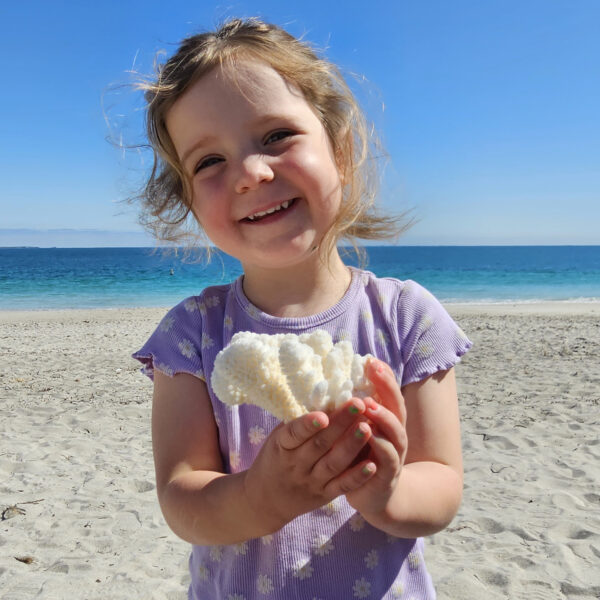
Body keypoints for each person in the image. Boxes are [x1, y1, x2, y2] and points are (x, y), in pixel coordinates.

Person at [132, 18, 472, 600]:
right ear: (186, 198)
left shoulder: (406, 317)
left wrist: (385, 492)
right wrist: (260, 497)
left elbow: (441, 481)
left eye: (275, 136)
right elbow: (182, 495)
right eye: (208, 161)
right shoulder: (191, 335)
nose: (250, 173)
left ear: (338, 150)